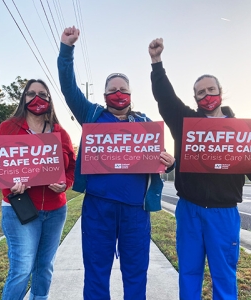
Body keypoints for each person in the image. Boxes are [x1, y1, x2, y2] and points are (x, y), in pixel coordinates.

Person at [58, 26, 175, 300]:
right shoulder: (91, 114)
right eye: (112, 90)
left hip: (136, 211)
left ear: (131, 94)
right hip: (99, 207)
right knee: (97, 271)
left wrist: (167, 163)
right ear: (104, 94)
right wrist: (67, 49)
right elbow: (67, 87)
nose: (118, 93)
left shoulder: (145, 124)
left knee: (136, 272)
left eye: (123, 89)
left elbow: (160, 160)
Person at [148, 38, 251, 300]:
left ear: (221, 92)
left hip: (224, 214)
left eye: (211, 89)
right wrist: (157, 64)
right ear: (195, 98)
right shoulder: (186, 121)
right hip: (189, 210)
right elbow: (166, 99)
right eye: (200, 92)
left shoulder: (243, 129)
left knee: (224, 275)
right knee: (189, 273)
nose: (206, 95)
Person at [0, 79, 76, 300]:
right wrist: (9, 186)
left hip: (55, 210)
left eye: (42, 94)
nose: (37, 98)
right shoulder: (8, 128)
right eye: (31, 93)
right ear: (24, 98)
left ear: (49, 100)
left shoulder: (61, 133)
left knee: (45, 268)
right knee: (22, 269)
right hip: (19, 208)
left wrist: (65, 184)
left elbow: (72, 167)